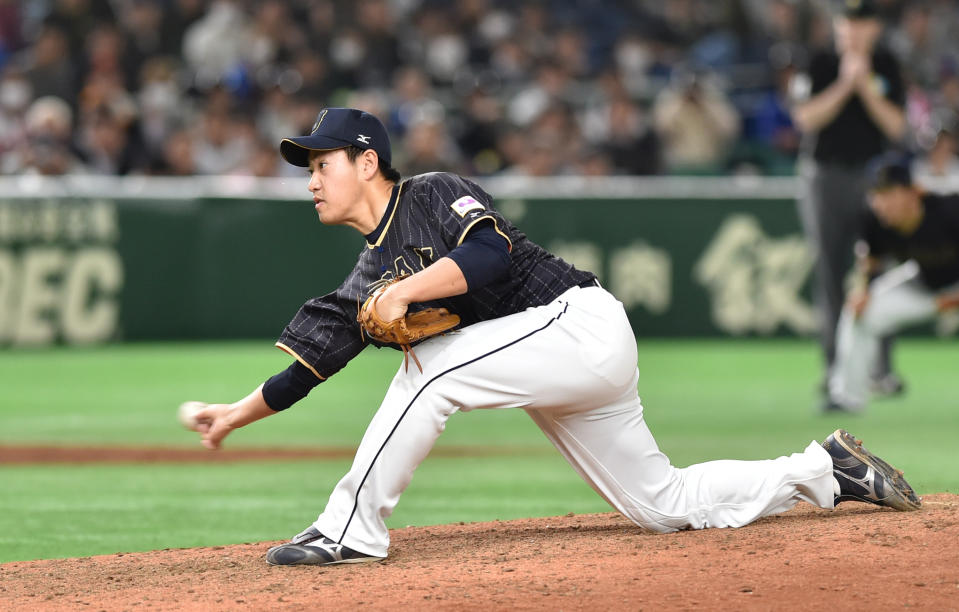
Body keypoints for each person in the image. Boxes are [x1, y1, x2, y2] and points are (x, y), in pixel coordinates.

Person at [183, 107, 920, 567]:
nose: (311, 179)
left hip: (576, 323)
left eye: (321, 163)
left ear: (366, 161)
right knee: (661, 505)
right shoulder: (366, 274)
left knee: (429, 372)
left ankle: (350, 530)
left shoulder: (429, 193)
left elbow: (489, 254)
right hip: (548, 366)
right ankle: (823, 471)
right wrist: (234, 414)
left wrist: (405, 289)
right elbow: (312, 364)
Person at [791, 0, 907, 406]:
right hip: (825, 176)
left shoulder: (887, 63)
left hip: (874, 179)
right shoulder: (819, 62)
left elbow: (898, 125)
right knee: (829, 270)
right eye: (847, 22)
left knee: (879, 270)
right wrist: (844, 84)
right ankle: (834, 368)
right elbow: (805, 119)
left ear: (874, 28)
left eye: (862, 23)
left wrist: (865, 86)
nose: (854, 31)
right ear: (837, 26)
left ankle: (880, 369)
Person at [826, 157, 959, 412]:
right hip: (926, 286)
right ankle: (846, 398)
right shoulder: (873, 220)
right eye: (875, 195)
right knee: (859, 311)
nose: (880, 203)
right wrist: (861, 289)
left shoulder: (949, 210)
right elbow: (870, 261)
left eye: (888, 194)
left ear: (913, 192)